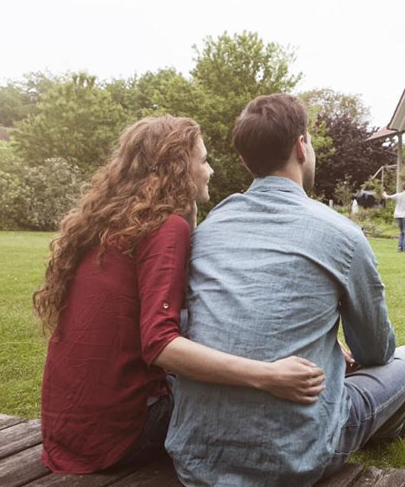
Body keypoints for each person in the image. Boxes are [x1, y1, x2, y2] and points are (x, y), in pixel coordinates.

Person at [35, 115, 325, 474]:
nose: (211, 171)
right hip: (120, 437)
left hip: (67, 432)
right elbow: (161, 345)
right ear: (177, 169)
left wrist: (189, 216)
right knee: (242, 399)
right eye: (203, 161)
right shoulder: (163, 227)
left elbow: (189, 303)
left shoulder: (113, 222)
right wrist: (268, 375)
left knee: (196, 324)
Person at [166, 94, 405, 486]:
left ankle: (386, 417)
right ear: (301, 146)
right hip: (296, 455)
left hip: (196, 455)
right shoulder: (341, 233)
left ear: (244, 161)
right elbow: (376, 351)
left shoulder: (211, 228)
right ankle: (388, 424)